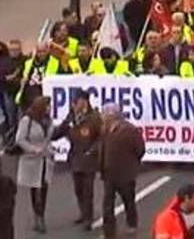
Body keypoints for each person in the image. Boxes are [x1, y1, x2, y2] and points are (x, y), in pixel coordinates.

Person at [52, 88, 103, 229]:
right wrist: (47, 133)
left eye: (77, 101)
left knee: (88, 190)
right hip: (75, 158)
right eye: (73, 102)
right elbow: (59, 132)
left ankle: (88, 217)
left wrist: (93, 150)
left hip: (89, 160)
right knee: (78, 189)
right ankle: (83, 213)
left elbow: (101, 138)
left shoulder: (94, 118)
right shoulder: (71, 117)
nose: (74, 104)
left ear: (85, 102)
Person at [99, 102, 146, 239]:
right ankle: (109, 231)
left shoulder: (129, 130)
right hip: (108, 173)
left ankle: (132, 223)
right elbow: (102, 148)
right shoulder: (104, 129)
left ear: (112, 115)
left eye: (105, 114)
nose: (103, 116)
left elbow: (140, 149)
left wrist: (132, 164)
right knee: (107, 204)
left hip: (125, 173)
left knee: (128, 200)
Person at [15, 96, 53, 233]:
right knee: (33, 188)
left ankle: (41, 216)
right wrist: (33, 149)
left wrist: (49, 150)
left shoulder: (48, 120)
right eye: (48, 106)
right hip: (31, 159)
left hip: (45, 159)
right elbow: (20, 139)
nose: (50, 108)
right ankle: (37, 215)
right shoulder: (27, 121)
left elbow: (49, 138)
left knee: (44, 187)